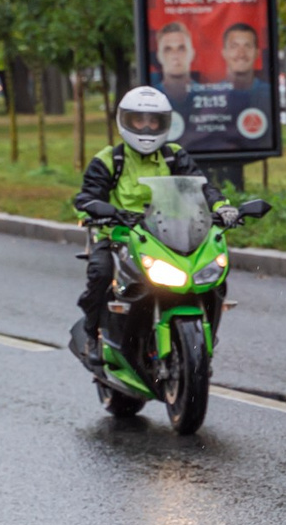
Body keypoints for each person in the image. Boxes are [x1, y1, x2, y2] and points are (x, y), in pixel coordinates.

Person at [70, 85, 214, 355]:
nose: (146, 128)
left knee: (212, 276)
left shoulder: (175, 156)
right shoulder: (109, 160)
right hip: (118, 238)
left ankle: (206, 336)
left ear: (164, 123)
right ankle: (92, 334)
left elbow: (202, 188)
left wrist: (222, 208)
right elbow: (86, 199)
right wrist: (104, 212)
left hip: (169, 237)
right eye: (139, 120)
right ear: (125, 121)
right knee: (100, 275)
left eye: (153, 121)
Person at [153, 21, 201, 113]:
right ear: (159, 56)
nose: (175, 56)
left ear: (192, 53)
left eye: (181, 48)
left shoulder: (206, 96)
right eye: (168, 49)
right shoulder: (151, 99)